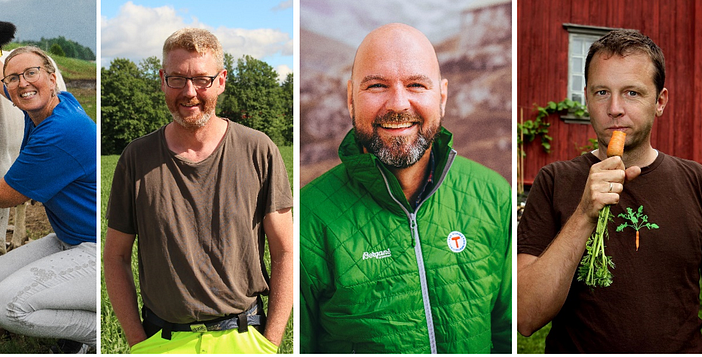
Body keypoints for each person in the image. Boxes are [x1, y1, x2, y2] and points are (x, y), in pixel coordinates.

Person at [300, 23, 512, 354]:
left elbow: (506, 334)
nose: (398, 104)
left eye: (416, 84)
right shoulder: (309, 216)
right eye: (376, 86)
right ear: (350, 98)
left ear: (441, 96)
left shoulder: (493, 195)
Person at [104, 27, 293, 354]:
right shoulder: (136, 158)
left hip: (243, 337)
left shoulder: (258, 151)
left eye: (202, 79)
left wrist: (269, 344)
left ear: (220, 80)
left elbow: (285, 252)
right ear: (163, 79)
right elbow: (116, 256)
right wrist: (138, 343)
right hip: (161, 341)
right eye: (177, 78)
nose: (189, 92)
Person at [517, 29, 702, 352]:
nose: (614, 108)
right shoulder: (554, 180)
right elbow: (527, 316)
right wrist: (584, 214)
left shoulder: (695, 181)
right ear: (587, 96)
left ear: (660, 102)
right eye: (602, 92)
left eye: (632, 93)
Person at [0, 46, 97, 353]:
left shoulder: (61, 131)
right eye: (15, 78)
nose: (22, 83)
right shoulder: (51, 104)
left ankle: (91, 336)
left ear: (52, 79)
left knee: (5, 306)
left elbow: (3, 195)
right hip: (66, 239)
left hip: (94, 251)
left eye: (31, 74)